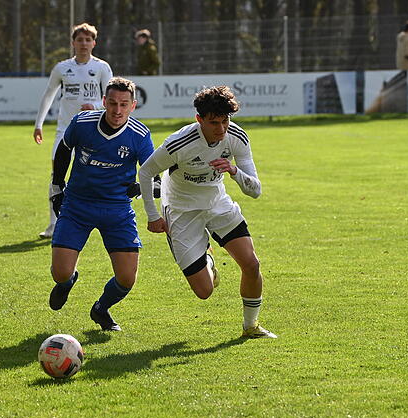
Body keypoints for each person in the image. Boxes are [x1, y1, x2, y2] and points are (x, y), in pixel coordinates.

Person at [136, 86, 276, 339]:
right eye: (214, 123)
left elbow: (255, 190)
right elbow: (146, 172)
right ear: (199, 119)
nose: (221, 129)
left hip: (217, 203)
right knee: (204, 291)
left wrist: (234, 171)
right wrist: (153, 216)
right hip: (181, 209)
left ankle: (251, 326)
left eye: (225, 121)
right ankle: (208, 258)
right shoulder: (179, 143)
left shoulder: (236, 137)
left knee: (251, 264)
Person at [48, 77, 154, 331]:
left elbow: (153, 173)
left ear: (133, 106)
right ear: (104, 101)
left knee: (127, 278)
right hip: (77, 205)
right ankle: (67, 281)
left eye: (124, 105)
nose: (118, 110)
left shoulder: (139, 135)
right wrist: (57, 186)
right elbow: (64, 149)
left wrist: (143, 187)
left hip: (117, 210)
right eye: (113, 103)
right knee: (60, 273)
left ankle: (101, 308)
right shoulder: (82, 123)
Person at [33, 23, 114, 239]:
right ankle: (53, 224)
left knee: (93, 175)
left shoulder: (102, 68)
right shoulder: (62, 68)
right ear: (73, 43)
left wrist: (94, 106)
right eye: (80, 40)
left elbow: (111, 98)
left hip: (92, 131)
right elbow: (49, 94)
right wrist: (39, 124)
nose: (84, 44)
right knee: (56, 176)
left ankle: (95, 219)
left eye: (88, 40)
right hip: (65, 132)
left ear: (94, 43)